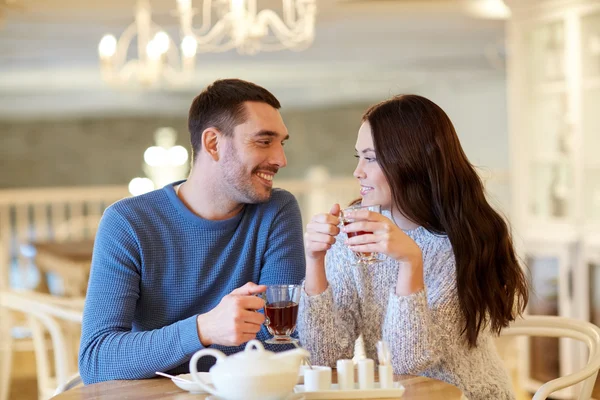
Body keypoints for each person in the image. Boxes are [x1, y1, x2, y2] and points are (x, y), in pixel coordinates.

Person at [297, 94, 528, 400]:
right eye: (358, 157)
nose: (358, 172)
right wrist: (315, 260)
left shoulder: (464, 239)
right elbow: (322, 357)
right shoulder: (355, 231)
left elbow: (409, 363)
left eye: (371, 157)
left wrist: (410, 262)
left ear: (409, 159)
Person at [79, 79, 306, 384]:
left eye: (282, 143)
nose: (281, 159)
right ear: (213, 143)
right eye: (264, 141)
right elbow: (97, 360)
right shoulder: (127, 222)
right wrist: (204, 328)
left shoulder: (277, 210)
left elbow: (280, 341)